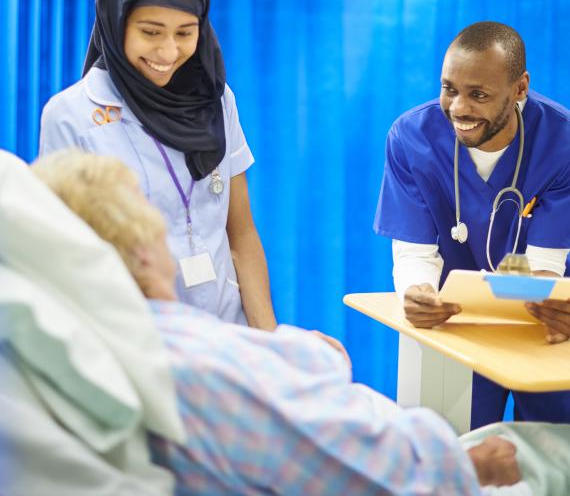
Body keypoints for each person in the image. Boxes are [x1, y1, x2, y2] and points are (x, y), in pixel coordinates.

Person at [31, 150, 521, 494]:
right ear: (140, 251)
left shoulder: (67, 351)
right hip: (416, 458)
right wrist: (465, 464)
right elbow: (345, 462)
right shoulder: (189, 360)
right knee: (539, 451)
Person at [39, 0, 276, 330]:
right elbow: (68, 257)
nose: (168, 52)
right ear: (116, 24)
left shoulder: (216, 100)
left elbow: (242, 235)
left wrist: (271, 345)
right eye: (151, 32)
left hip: (224, 334)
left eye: (185, 33)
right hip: (134, 339)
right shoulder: (72, 115)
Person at [374, 21, 570, 428]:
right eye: (449, 89)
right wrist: (417, 293)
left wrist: (548, 303)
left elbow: (546, 268)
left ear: (520, 89)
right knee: (451, 457)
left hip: (542, 323)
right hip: (452, 325)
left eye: (478, 94)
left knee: (553, 455)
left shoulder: (560, 140)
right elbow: (414, 250)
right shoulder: (412, 138)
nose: (459, 108)